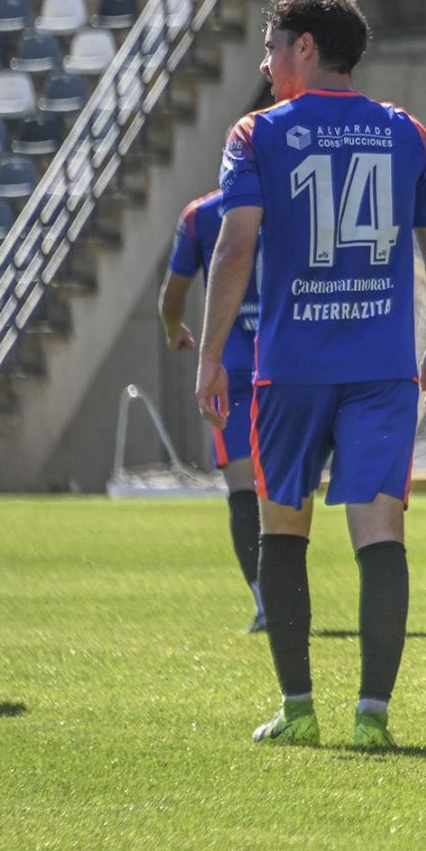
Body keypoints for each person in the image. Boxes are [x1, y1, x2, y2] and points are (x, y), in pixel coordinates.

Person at [195, 0, 426, 750]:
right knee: (381, 533)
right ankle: (373, 716)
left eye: (274, 45)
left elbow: (236, 246)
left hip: (291, 368)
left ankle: (299, 707)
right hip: (382, 368)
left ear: (305, 47)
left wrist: (213, 355)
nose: (266, 62)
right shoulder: (407, 133)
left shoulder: (257, 134)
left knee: (284, 527)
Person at [160, 186, 267, 632]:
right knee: (285, 490)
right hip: (292, 366)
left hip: (229, 371)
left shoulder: (198, 215)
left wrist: (174, 331)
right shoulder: (290, 199)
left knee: (244, 490)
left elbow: (171, 298)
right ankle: (286, 593)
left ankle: (266, 601)